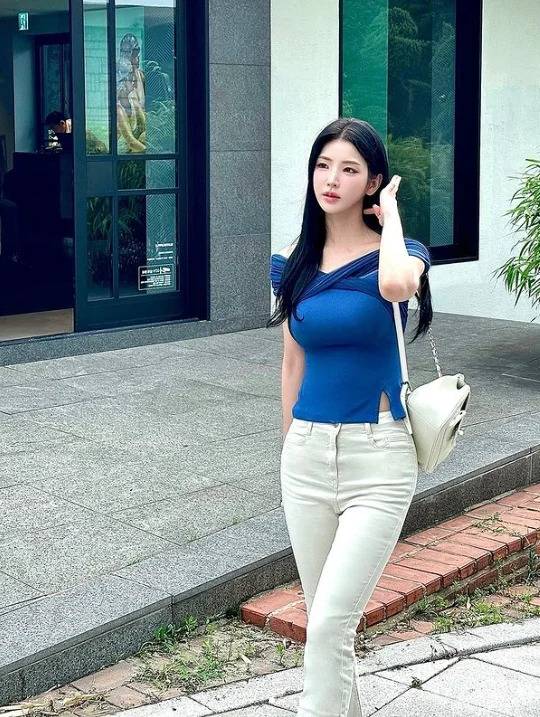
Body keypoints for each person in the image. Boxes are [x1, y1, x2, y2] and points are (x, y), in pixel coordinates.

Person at [267, 117, 432, 717]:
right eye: (322, 165)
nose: (331, 179)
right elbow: (292, 361)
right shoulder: (293, 262)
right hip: (307, 456)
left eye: (349, 169)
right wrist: (292, 444)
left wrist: (392, 215)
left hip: (379, 458)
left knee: (331, 623)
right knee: (324, 624)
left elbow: (396, 285)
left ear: (373, 182)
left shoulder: (402, 254)